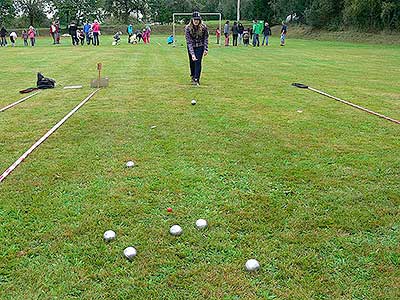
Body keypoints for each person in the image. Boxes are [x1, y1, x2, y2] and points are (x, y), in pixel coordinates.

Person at [185, 11, 209, 86]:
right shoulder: (187, 28)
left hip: (200, 46)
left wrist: (205, 49)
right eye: (195, 19)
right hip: (191, 46)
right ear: (192, 20)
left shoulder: (204, 27)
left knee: (198, 62)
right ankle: (192, 76)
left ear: (200, 20)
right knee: (192, 62)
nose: (196, 21)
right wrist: (192, 54)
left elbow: (205, 38)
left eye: (197, 20)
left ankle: (196, 79)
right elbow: (189, 42)